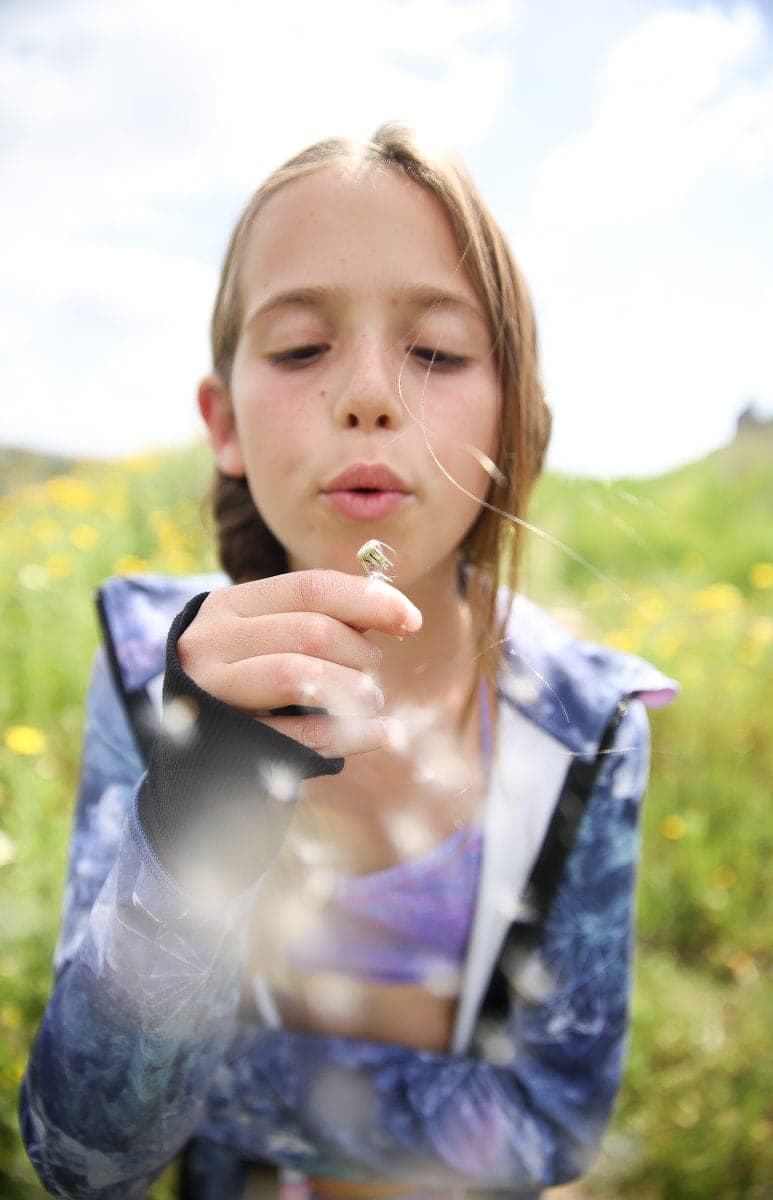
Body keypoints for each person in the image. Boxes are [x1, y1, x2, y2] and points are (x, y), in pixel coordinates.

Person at [20, 125, 676, 1200]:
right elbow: (83, 1151)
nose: (368, 393)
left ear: (510, 417)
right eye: (297, 349)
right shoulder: (148, 670)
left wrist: (211, 1070)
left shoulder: (584, 730)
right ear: (222, 422)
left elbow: (552, 1123)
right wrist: (198, 811)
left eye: (438, 351)